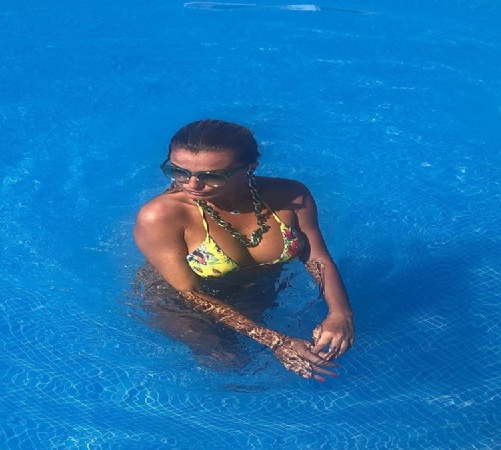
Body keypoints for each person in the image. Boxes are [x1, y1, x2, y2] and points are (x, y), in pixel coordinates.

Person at [133, 119, 354, 381]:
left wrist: (340, 313)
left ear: (250, 167)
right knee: (231, 365)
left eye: (211, 176)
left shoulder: (291, 196)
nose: (192, 184)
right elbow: (190, 292)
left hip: (256, 290)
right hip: (180, 303)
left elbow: (316, 257)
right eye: (178, 171)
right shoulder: (161, 216)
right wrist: (275, 341)